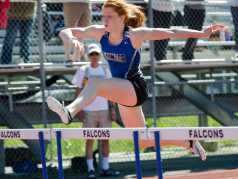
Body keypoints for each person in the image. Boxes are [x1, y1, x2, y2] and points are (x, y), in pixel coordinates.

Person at [47, 0, 224, 161]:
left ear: (122, 18)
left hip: (135, 87)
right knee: (142, 140)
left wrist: (201, 33)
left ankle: (68, 112)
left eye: (110, 16)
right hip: (121, 91)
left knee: (95, 82)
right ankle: (188, 142)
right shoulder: (99, 33)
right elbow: (66, 30)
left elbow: (171, 31)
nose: (104, 20)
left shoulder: (134, 36)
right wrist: (70, 38)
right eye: (103, 16)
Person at [72, 43, 118, 178]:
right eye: (92, 54)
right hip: (88, 110)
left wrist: (112, 108)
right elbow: (78, 90)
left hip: (104, 110)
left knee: (105, 140)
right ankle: (91, 169)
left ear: (99, 56)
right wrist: (78, 108)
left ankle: (105, 168)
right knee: (89, 140)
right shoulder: (83, 70)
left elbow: (111, 91)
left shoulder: (105, 70)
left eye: (96, 54)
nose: (94, 57)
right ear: (88, 56)